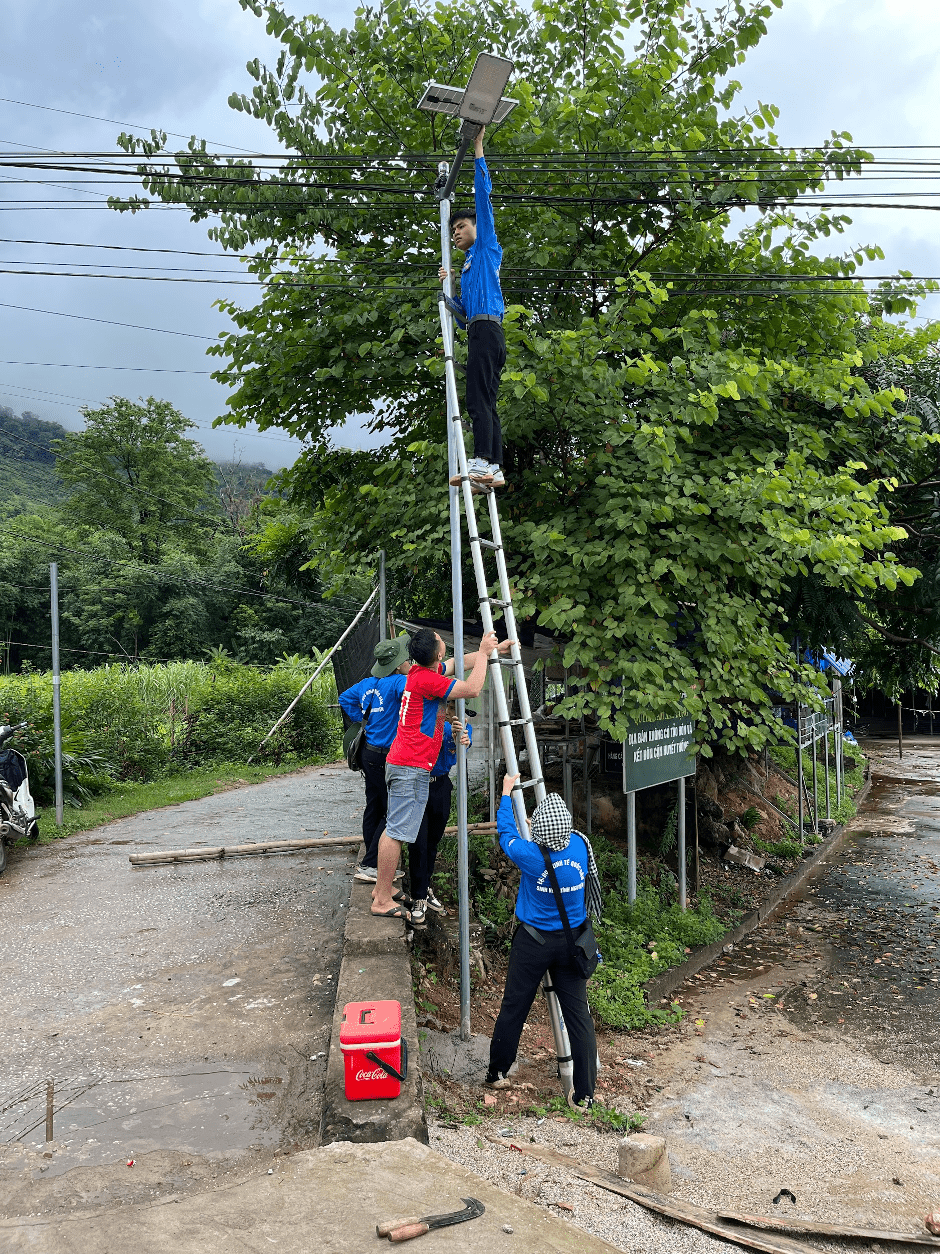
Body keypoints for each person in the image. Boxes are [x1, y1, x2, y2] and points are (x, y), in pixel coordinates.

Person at [370, 626, 514, 921]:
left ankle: (381, 889)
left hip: (406, 762)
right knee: (397, 832)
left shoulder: (421, 670)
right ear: (438, 651)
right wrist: (486, 654)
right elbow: (472, 688)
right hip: (409, 766)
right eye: (439, 641)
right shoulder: (427, 680)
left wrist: (493, 651)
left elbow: (463, 662)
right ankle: (382, 898)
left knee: (394, 828)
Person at [485, 777, 603, 1109]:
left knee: (514, 1008)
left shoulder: (530, 856)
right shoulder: (580, 846)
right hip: (572, 943)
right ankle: (584, 1095)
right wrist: (537, 827)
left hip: (533, 943)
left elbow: (506, 834)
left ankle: (497, 1073)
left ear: (540, 834)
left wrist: (506, 792)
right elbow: (552, 836)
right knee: (579, 1017)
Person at [438, 126, 506, 491]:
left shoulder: (486, 248)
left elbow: (484, 199)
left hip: (488, 330)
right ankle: (493, 467)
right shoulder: (468, 269)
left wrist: (478, 148)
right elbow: (463, 314)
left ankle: (479, 461)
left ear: (477, 228)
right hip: (483, 329)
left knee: (478, 400)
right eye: (452, 231)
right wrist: (448, 293)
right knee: (488, 402)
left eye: (461, 226)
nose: (456, 234)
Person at [338, 636, 410, 883]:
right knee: (392, 811)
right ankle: (371, 864)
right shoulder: (399, 682)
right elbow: (414, 691)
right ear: (398, 664)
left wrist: (361, 720)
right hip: (387, 755)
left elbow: (344, 698)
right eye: (407, 660)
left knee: (374, 805)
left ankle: (371, 859)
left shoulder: (367, 683)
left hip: (368, 752)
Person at [407, 700, 473, 927]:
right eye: (448, 707)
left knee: (433, 840)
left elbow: (464, 742)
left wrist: (461, 737)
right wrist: (449, 730)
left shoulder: (463, 726)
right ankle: (417, 897)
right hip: (418, 783)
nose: (451, 713)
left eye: (456, 708)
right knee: (418, 842)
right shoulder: (427, 723)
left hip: (441, 785)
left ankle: (424, 888)